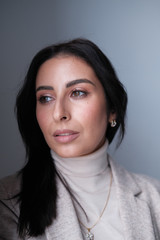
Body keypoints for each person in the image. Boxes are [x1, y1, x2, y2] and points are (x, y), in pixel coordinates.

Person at [0, 38, 160, 240]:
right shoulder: (6, 202)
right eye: (46, 98)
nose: (59, 113)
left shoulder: (155, 197)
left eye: (77, 93)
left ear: (112, 110)